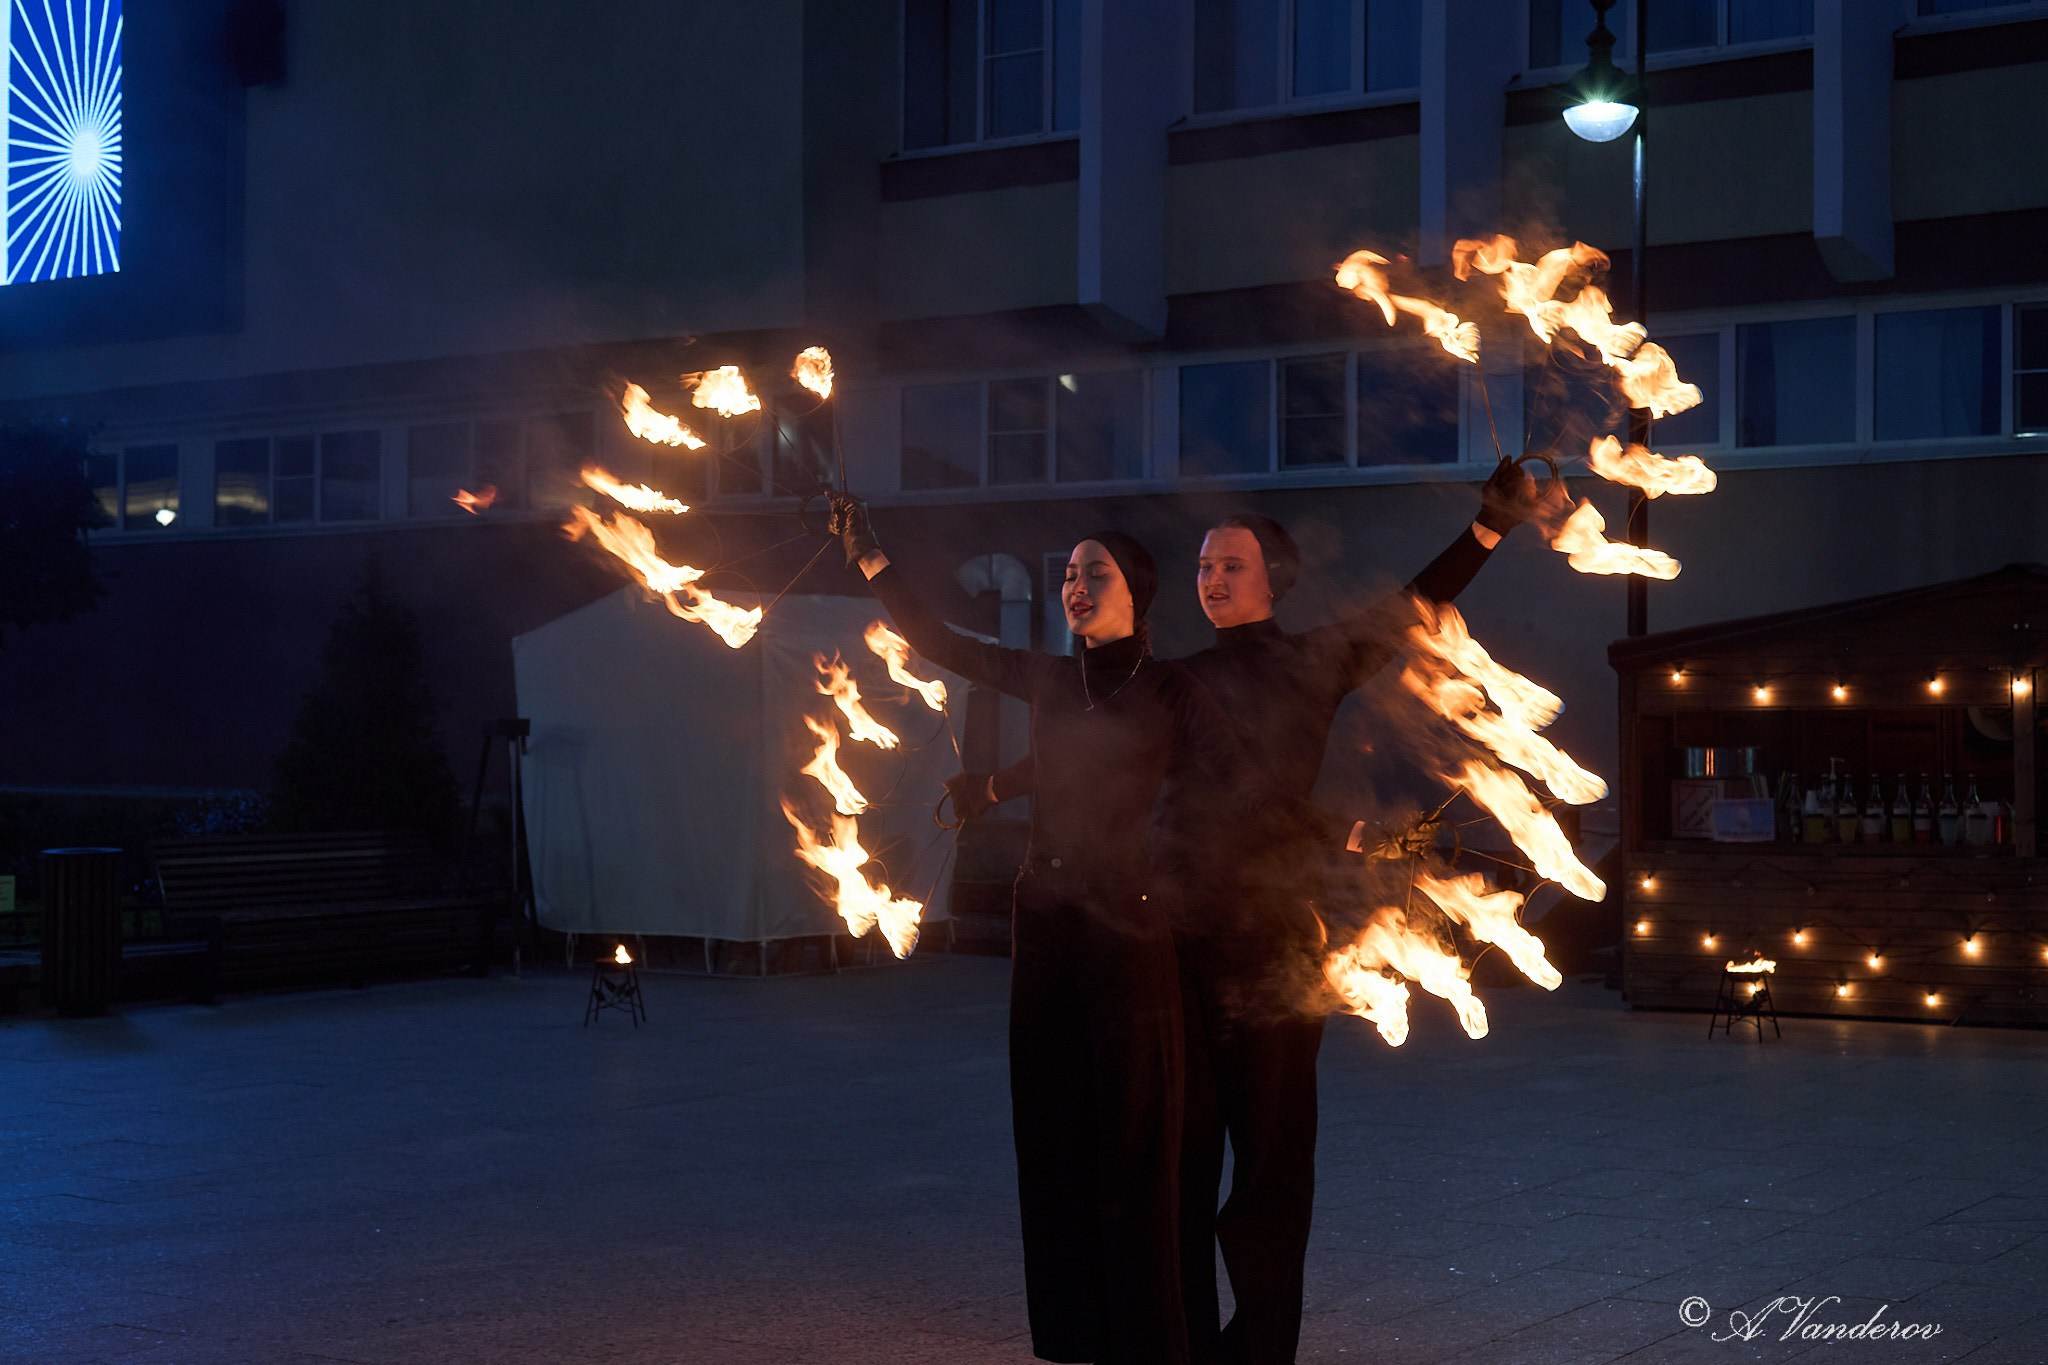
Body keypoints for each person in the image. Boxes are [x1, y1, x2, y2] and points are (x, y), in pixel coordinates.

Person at [947, 460, 1542, 1365]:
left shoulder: (1313, 662)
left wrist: (1488, 527)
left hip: (1271, 951)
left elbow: (1413, 607)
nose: (1212, 579)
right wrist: (992, 786)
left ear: (1275, 579)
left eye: (1231, 565)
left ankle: (1260, 1349)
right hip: (1169, 943)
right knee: (1174, 1167)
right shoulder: (1173, 677)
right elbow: (1085, 746)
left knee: (1269, 1168)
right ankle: (1179, 1342)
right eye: (1203, 566)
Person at [827, 494, 1362, 1365]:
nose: (1077, 587)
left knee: (1140, 1140)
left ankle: (1160, 1335)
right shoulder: (1049, 677)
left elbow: (1249, 790)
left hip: (1129, 924)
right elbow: (942, 645)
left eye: (1096, 574)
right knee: (1052, 1129)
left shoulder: (1172, 688)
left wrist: (1349, 833)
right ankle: (1081, 1331)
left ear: (1137, 593)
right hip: (1043, 919)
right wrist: (871, 558)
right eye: (1070, 575)